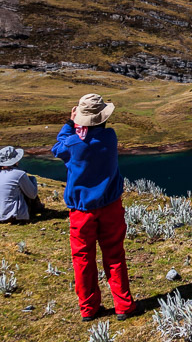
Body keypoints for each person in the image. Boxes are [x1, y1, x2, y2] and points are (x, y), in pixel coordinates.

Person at [51, 93, 136, 321]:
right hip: (110, 206)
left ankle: (88, 308)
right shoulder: (110, 137)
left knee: (83, 258)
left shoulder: (73, 144)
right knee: (115, 254)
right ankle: (123, 306)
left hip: (81, 211)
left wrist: (70, 123)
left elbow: (57, 148)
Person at [0, 146, 39, 223]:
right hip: (12, 215)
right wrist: (33, 180)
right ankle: (38, 208)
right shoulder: (19, 174)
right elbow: (32, 195)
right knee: (26, 188)